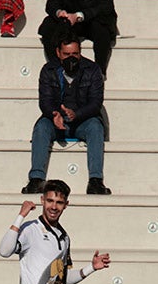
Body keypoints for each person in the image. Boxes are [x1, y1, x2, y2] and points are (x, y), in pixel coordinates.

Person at [23, 34, 109, 194]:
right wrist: (54, 114)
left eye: (75, 54)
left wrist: (77, 113)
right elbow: (45, 101)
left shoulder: (92, 69)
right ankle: (36, 179)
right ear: (58, 53)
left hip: (83, 121)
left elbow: (96, 102)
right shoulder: (48, 70)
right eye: (67, 55)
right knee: (41, 127)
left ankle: (96, 181)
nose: (72, 58)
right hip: (55, 121)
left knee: (96, 127)